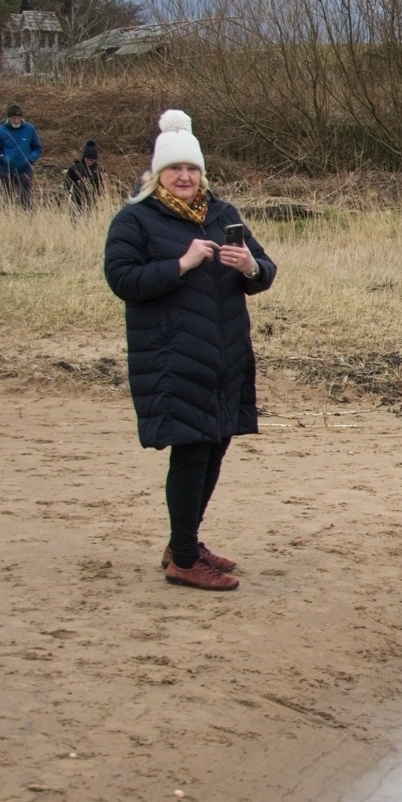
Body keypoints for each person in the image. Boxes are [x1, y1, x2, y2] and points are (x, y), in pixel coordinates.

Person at [102, 110, 275, 591]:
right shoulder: (135, 219)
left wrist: (250, 266)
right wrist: (181, 264)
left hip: (225, 355)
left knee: (216, 444)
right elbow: (122, 279)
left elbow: (265, 270)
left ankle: (184, 543)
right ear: (157, 174)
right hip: (170, 354)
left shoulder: (222, 214)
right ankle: (182, 560)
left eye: (192, 169)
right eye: (174, 169)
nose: (184, 177)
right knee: (193, 449)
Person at [0, 102, 41, 208]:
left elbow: (37, 148)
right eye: (14, 118)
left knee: (25, 199)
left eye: (18, 118)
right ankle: (8, 215)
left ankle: (26, 216)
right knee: (8, 198)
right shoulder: (0, 131)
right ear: (9, 118)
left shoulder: (30, 129)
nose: (16, 120)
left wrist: (30, 158)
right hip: (6, 170)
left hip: (24, 169)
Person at [63, 139, 103, 208]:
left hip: (92, 202)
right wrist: (67, 193)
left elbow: (100, 186)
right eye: (88, 159)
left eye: (92, 160)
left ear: (95, 160)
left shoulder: (98, 170)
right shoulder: (76, 168)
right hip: (76, 201)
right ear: (84, 157)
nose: (89, 162)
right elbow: (67, 182)